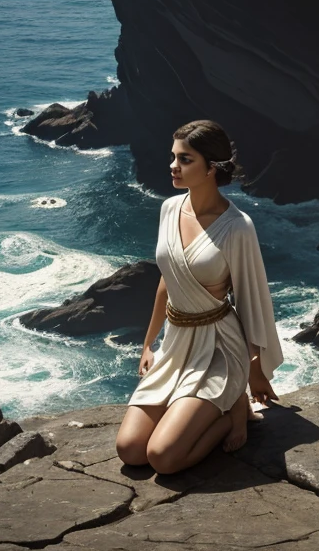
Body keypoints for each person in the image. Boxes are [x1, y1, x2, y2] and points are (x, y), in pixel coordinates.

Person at [116, 120, 284, 475]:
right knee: (130, 450)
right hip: (175, 345)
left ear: (212, 168)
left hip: (219, 351)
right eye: (173, 157)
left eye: (186, 159)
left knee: (164, 458)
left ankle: (231, 413)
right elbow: (168, 281)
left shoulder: (238, 226)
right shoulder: (169, 209)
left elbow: (252, 302)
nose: (173, 166)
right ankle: (214, 407)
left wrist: (255, 372)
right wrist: (148, 344)